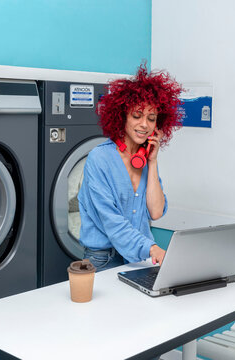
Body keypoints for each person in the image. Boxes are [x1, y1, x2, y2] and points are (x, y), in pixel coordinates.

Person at [78, 63, 183, 272]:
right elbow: (112, 222)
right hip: (103, 260)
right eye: (137, 116)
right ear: (122, 116)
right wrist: (152, 249)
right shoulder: (100, 158)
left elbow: (155, 211)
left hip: (139, 259)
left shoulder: (145, 159)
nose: (144, 124)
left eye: (151, 118)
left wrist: (152, 162)